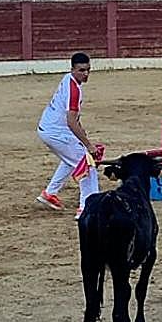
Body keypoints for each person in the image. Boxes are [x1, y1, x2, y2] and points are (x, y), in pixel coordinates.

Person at [36, 52, 103, 218]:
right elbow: (71, 121)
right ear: (72, 69)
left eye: (88, 70)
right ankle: (87, 207)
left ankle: (50, 193)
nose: (85, 74)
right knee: (87, 164)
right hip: (57, 133)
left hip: (48, 129)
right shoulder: (74, 90)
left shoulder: (68, 79)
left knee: (70, 159)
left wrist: (83, 137)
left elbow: (73, 120)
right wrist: (88, 145)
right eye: (81, 70)